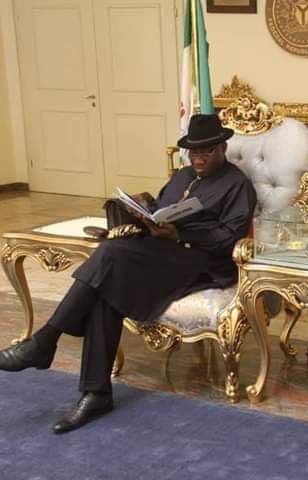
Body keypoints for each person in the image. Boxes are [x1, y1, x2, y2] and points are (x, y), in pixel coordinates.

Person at [0, 114, 257, 434]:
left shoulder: (238, 185)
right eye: (193, 152)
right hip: (160, 251)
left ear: (223, 148)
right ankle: (95, 394)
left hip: (200, 261)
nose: (198, 159)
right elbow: (161, 207)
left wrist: (180, 234)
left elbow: (229, 237)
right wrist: (142, 214)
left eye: (206, 151)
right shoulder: (182, 175)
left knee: (110, 256)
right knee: (107, 283)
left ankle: (45, 342)